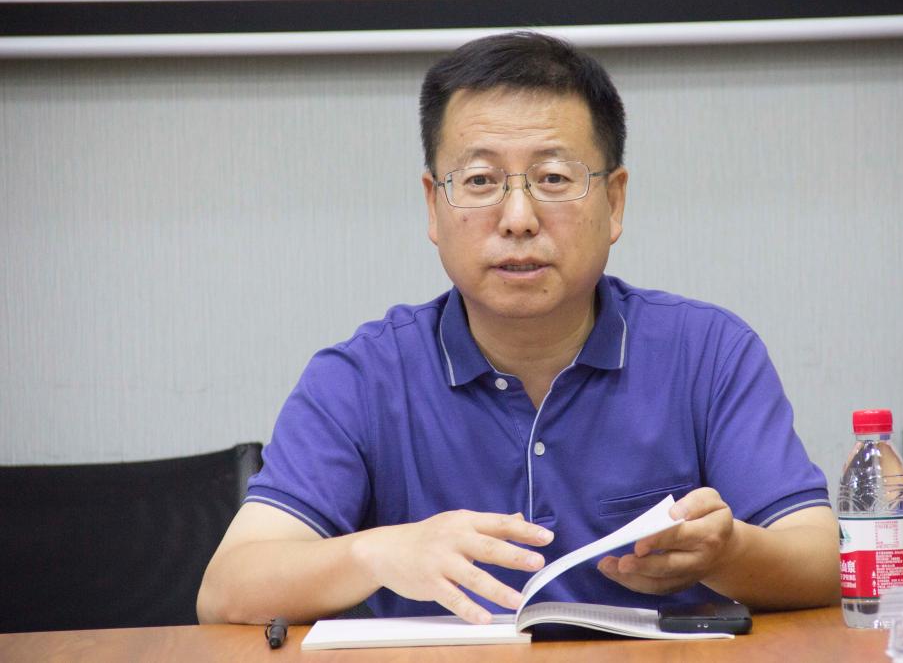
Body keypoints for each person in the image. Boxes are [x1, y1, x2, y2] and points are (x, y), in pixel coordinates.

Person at [197, 31, 839, 627]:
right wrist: (379, 553)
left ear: (614, 201)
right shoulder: (361, 378)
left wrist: (730, 552)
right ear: (433, 205)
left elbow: (829, 562)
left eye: (554, 179)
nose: (518, 218)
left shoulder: (707, 353)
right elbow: (226, 590)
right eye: (480, 181)